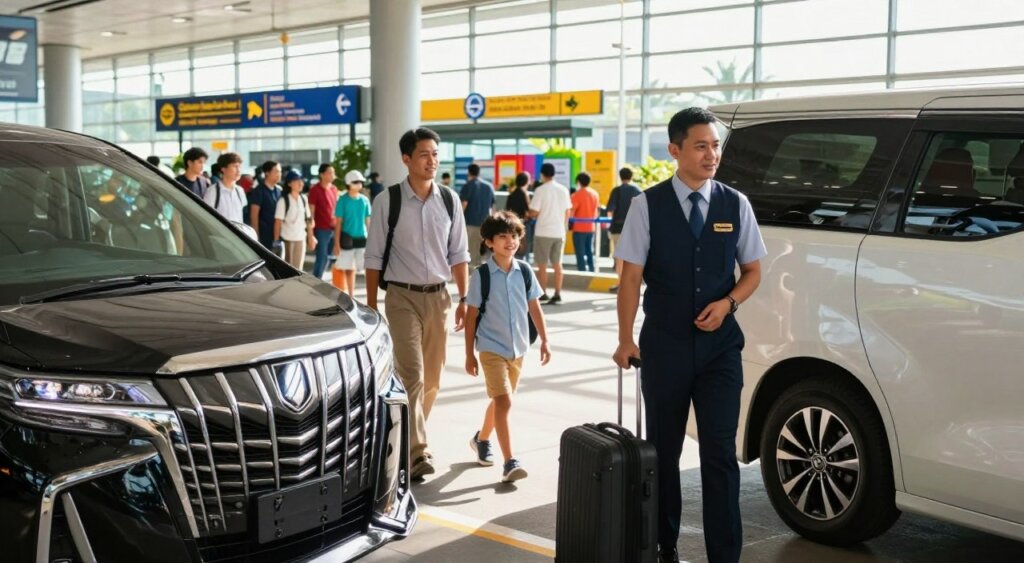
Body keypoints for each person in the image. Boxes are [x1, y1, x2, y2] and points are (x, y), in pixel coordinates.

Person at [612, 107, 767, 563]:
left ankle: (725, 555)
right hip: (665, 346)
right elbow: (630, 277)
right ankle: (664, 546)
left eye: (716, 145)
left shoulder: (735, 203)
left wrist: (729, 303)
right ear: (675, 150)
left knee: (719, 454)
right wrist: (626, 339)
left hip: (720, 350)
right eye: (701, 146)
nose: (711, 154)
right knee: (663, 452)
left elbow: (753, 270)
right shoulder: (646, 205)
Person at [364, 127, 470, 480]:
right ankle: (418, 452)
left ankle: (403, 434)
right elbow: (374, 256)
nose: (432, 160)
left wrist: (464, 297)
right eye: (424, 154)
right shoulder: (387, 201)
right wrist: (371, 306)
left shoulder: (450, 200)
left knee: (434, 378)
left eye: (435, 154)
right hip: (401, 297)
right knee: (412, 373)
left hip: (439, 296)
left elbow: (459, 253)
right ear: (406, 159)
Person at [464, 211, 550, 483]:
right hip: (491, 348)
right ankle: (510, 461)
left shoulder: (524, 271)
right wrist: (469, 354)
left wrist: (546, 340)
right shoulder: (481, 275)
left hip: (518, 349)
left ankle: (481, 439)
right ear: (489, 242)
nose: (509, 241)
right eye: (502, 236)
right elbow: (471, 315)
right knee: (504, 400)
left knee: (500, 400)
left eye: (513, 236)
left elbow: (535, 307)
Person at [528, 162, 572, 304]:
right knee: (557, 264)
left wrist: (529, 212)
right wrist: (564, 226)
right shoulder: (563, 190)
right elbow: (567, 211)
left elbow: (534, 212)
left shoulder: (540, 190)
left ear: (542, 174)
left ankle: (543, 293)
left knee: (542, 264)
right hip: (559, 232)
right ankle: (558, 294)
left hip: (543, 231)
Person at [332, 170, 372, 296]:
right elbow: (338, 223)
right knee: (348, 269)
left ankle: (369, 294)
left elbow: (368, 222)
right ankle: (350, 295)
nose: (359, 184)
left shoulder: (365, 200)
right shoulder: (342, 200)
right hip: (346, 239)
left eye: (360, 182)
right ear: (348, 183)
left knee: (367, 269)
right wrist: (336, 243)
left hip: (362, 239)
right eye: (356, 182)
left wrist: (371, 241)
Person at [606, 167, 643, 292]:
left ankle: (621, 283)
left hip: (617, 227)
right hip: (634, 229)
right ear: (631, 176)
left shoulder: (616, 191)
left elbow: (610, 210)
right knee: (633, 258)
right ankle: (633, 284)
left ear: (620, 177)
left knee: (619, 258)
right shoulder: (638, 190)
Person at [274, 170, 315, 270]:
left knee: (298, 270)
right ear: (289, 183)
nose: (300, 183)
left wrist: (311, 237)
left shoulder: (304, 199)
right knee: (287, 271)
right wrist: (276, 241)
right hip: (287, 239)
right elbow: (278, 222)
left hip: (301, 239)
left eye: (301, 180)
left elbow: (308, 219)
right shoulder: (283, 201)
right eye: (296, 180)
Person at [308, 163, 339, 280]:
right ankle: (316, 281)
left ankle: (320, 278)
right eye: (330, 172)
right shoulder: (315, 190)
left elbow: (336, 208)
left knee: (329, 257)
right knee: (321, 256)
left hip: (333, 228)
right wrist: (310, 232)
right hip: (321, 229)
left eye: (333, 172)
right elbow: (311, 212)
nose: (333, 175)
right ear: (322, 174)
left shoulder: (334, 189)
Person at [460, 163, 495, 265]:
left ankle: (474, 276)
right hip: (486, 224)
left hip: (471, 223)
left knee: (472, 250)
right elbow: (493, 207)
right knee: (486, 251)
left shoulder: (468, 186)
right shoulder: (489, 186)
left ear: (469, 172)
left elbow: (464, 205)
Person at [249, 161, 283, 253]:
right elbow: (254, 215)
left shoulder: (279, 190)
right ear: (267, 173)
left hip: (278, 235)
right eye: (276, 171)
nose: (279, 174)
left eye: (280, 171)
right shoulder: (259, 191)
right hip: (264, 236)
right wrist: (256, 237)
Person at [203, 152, 247, 223]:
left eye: (239, 166)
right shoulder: (213, 191)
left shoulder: (240, 190)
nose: (238, 170)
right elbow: (206, 217)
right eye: (235, 166)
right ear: (223, 169)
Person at [570, 171, 599, 272]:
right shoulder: (595, 194)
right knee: (589, 251)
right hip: (591, 227)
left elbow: (572, 211)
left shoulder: (576, 195)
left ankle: (582, 272)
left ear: (578, 181)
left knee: (580, 253)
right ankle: (592, 270)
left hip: (579, 228)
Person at [506, 172, 532, 259]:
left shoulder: (511, 194)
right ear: (526, 181)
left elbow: (507, 210)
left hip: (512, 224)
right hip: (523, 224)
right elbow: (528, 212)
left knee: (514, 248)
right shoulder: (524, 194)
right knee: (524, 249)